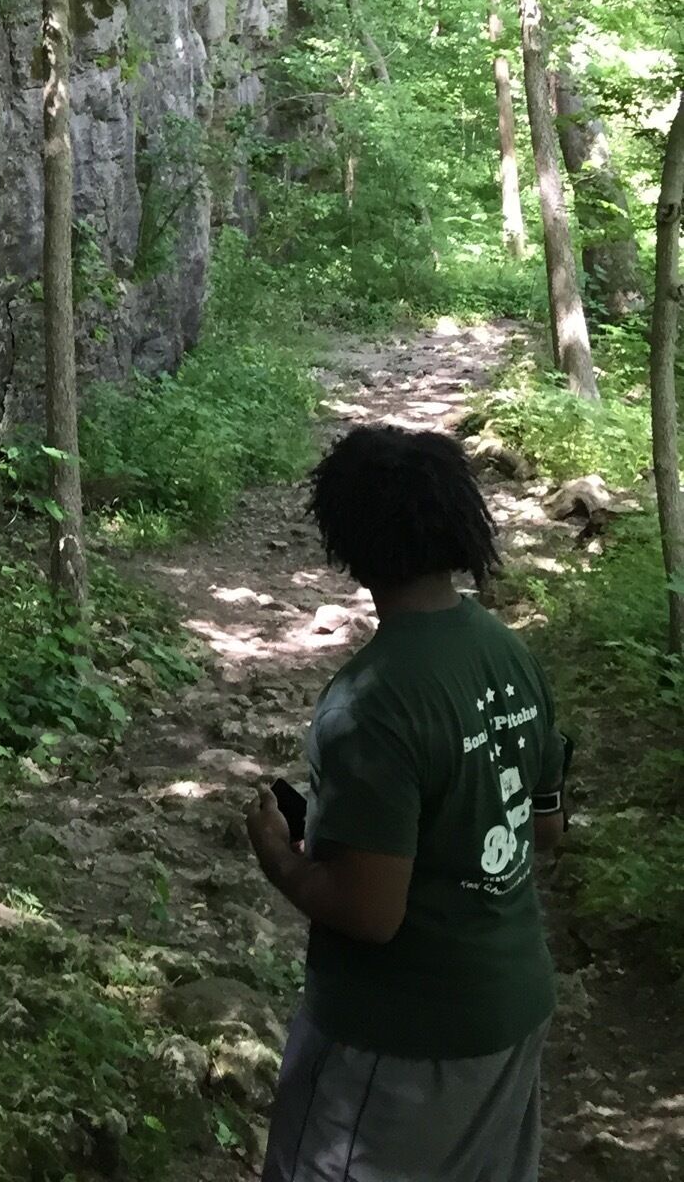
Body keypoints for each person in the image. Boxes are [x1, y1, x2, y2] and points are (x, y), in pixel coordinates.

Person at [245, 423, 569, 1182]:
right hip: (512, 1005)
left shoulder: (371, 702)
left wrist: (278, 859)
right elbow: (546, 826)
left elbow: (370, 912)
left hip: (400, 1039)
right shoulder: (508, 650)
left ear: (348, 541)